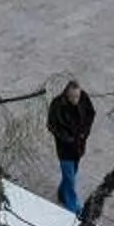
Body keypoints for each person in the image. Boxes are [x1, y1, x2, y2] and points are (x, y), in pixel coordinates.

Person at [47, 80, 95, 212]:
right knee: (69, 176)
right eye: (72, 97)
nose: (75, 100)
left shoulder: (84, 98)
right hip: (65, 148)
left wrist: (84, 132)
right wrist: (66, 138)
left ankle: (63, 193)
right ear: (67, 94)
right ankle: (73, 205)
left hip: (78, 146)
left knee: (72, 172)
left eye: (77, 96)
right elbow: (51, 125)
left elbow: (91, 114)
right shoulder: (57, 104)